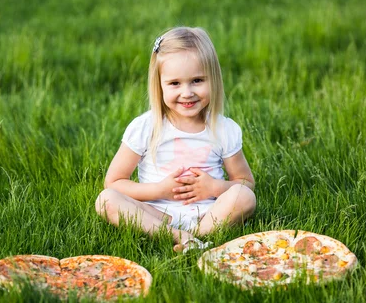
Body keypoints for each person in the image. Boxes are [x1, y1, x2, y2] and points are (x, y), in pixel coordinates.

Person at [95, 27, 256, 253]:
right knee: (106, 200)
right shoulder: (145, 127)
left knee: (245, 197)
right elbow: (114, 182)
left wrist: (214, 187)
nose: (187, 92)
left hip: (208, 214)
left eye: (197, 80)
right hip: (158, 214)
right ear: (159, 85)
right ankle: (177, 235)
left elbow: (245, 182)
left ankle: (197, 236)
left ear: (214, 79)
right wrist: (159, 191)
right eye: (175, 84)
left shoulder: (224, 128)